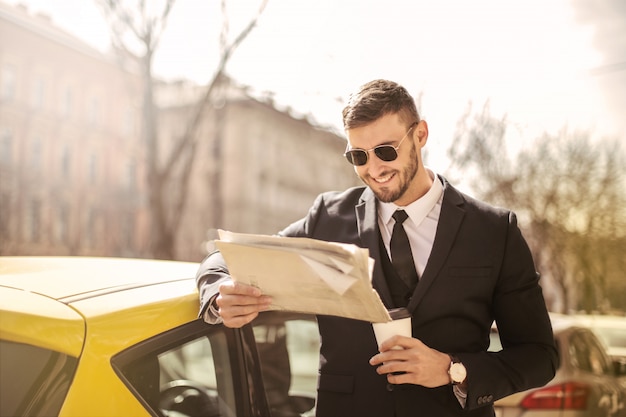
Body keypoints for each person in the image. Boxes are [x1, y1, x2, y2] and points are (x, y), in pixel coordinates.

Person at [196, 79, 558, 416]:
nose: (374, 169)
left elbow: (539, 356)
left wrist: (453, 369)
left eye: (386, 151)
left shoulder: (494, 230)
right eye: (359, 156)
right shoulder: (327, 217)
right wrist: (219, 294)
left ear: (421, 134)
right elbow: (222, 259)